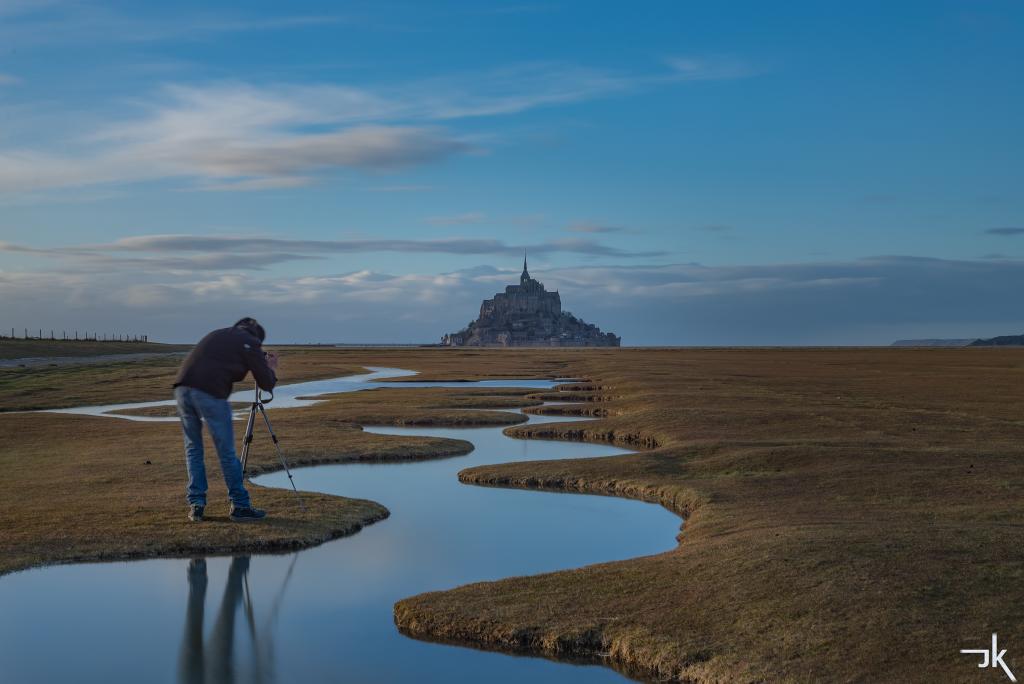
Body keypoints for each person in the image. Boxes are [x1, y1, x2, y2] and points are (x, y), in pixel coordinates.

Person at [173, 317, 279, 522]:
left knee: (193, 448)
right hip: (209, 392)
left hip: (182, 389)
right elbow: (266, 382)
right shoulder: (249, 341)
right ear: (257, 336)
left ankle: (196, 505)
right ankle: (240, 506)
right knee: (227, 452)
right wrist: (271, 367)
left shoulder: (220, 334)